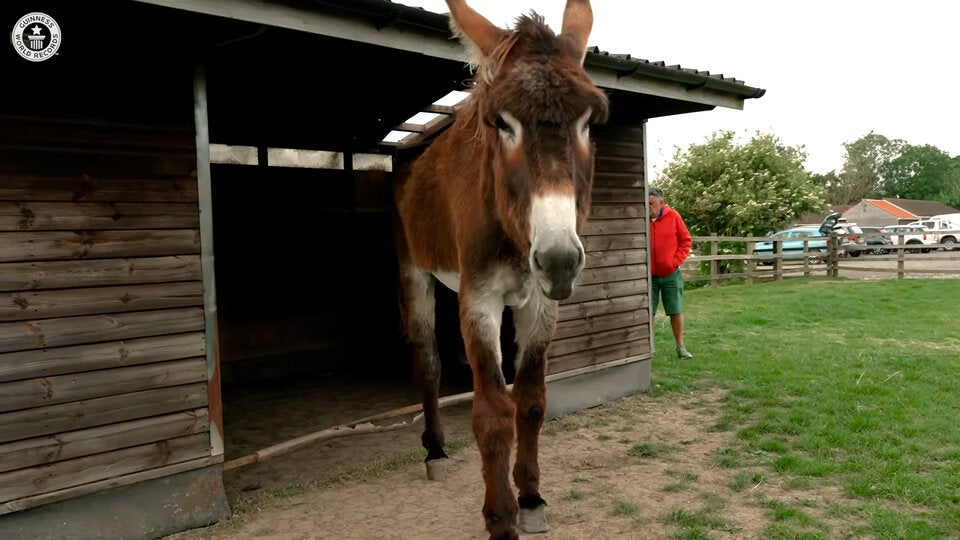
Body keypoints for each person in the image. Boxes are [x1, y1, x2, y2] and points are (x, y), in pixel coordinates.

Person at [648, 186, 694, 358]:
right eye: (646, 204)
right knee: (648, 312)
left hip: (670, 275)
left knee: (675, 310)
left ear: (661, 203)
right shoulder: (642, 219)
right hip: (649, 276)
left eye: (651, 204)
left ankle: (680, 347)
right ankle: (649, 348)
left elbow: (686, 241)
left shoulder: (673, 216)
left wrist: (674, 262)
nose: (648, 208)